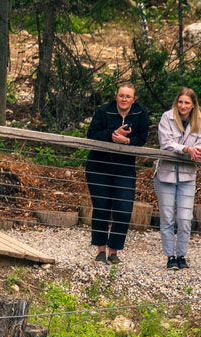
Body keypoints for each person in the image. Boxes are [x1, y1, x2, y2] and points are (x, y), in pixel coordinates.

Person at [85, 82, 150, 264]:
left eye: (128, 96)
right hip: (99, 166)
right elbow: (92, 135)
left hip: (124, 169)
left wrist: (126, 141)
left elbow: (142, 139)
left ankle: (113, 251)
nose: (124, 99)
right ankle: (100, 249)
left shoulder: (141, 113)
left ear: (134, 99)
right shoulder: (104, 111)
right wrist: (113, 134)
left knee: (123, 210)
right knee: (101, 208)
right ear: (116, 96)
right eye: (121, 95)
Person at [154, 88, 201, 270]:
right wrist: (186, 149)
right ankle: (169, 256)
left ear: (193, 105)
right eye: (180, 102)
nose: (183, 106)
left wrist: (193, 149)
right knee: (167, 217)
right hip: (165, 174)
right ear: (176, 102)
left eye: (187, 103)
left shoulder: (198, 120)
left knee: (185, 218)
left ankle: (181, 254)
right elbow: (165, 143)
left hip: (188, 175)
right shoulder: (167, 117)